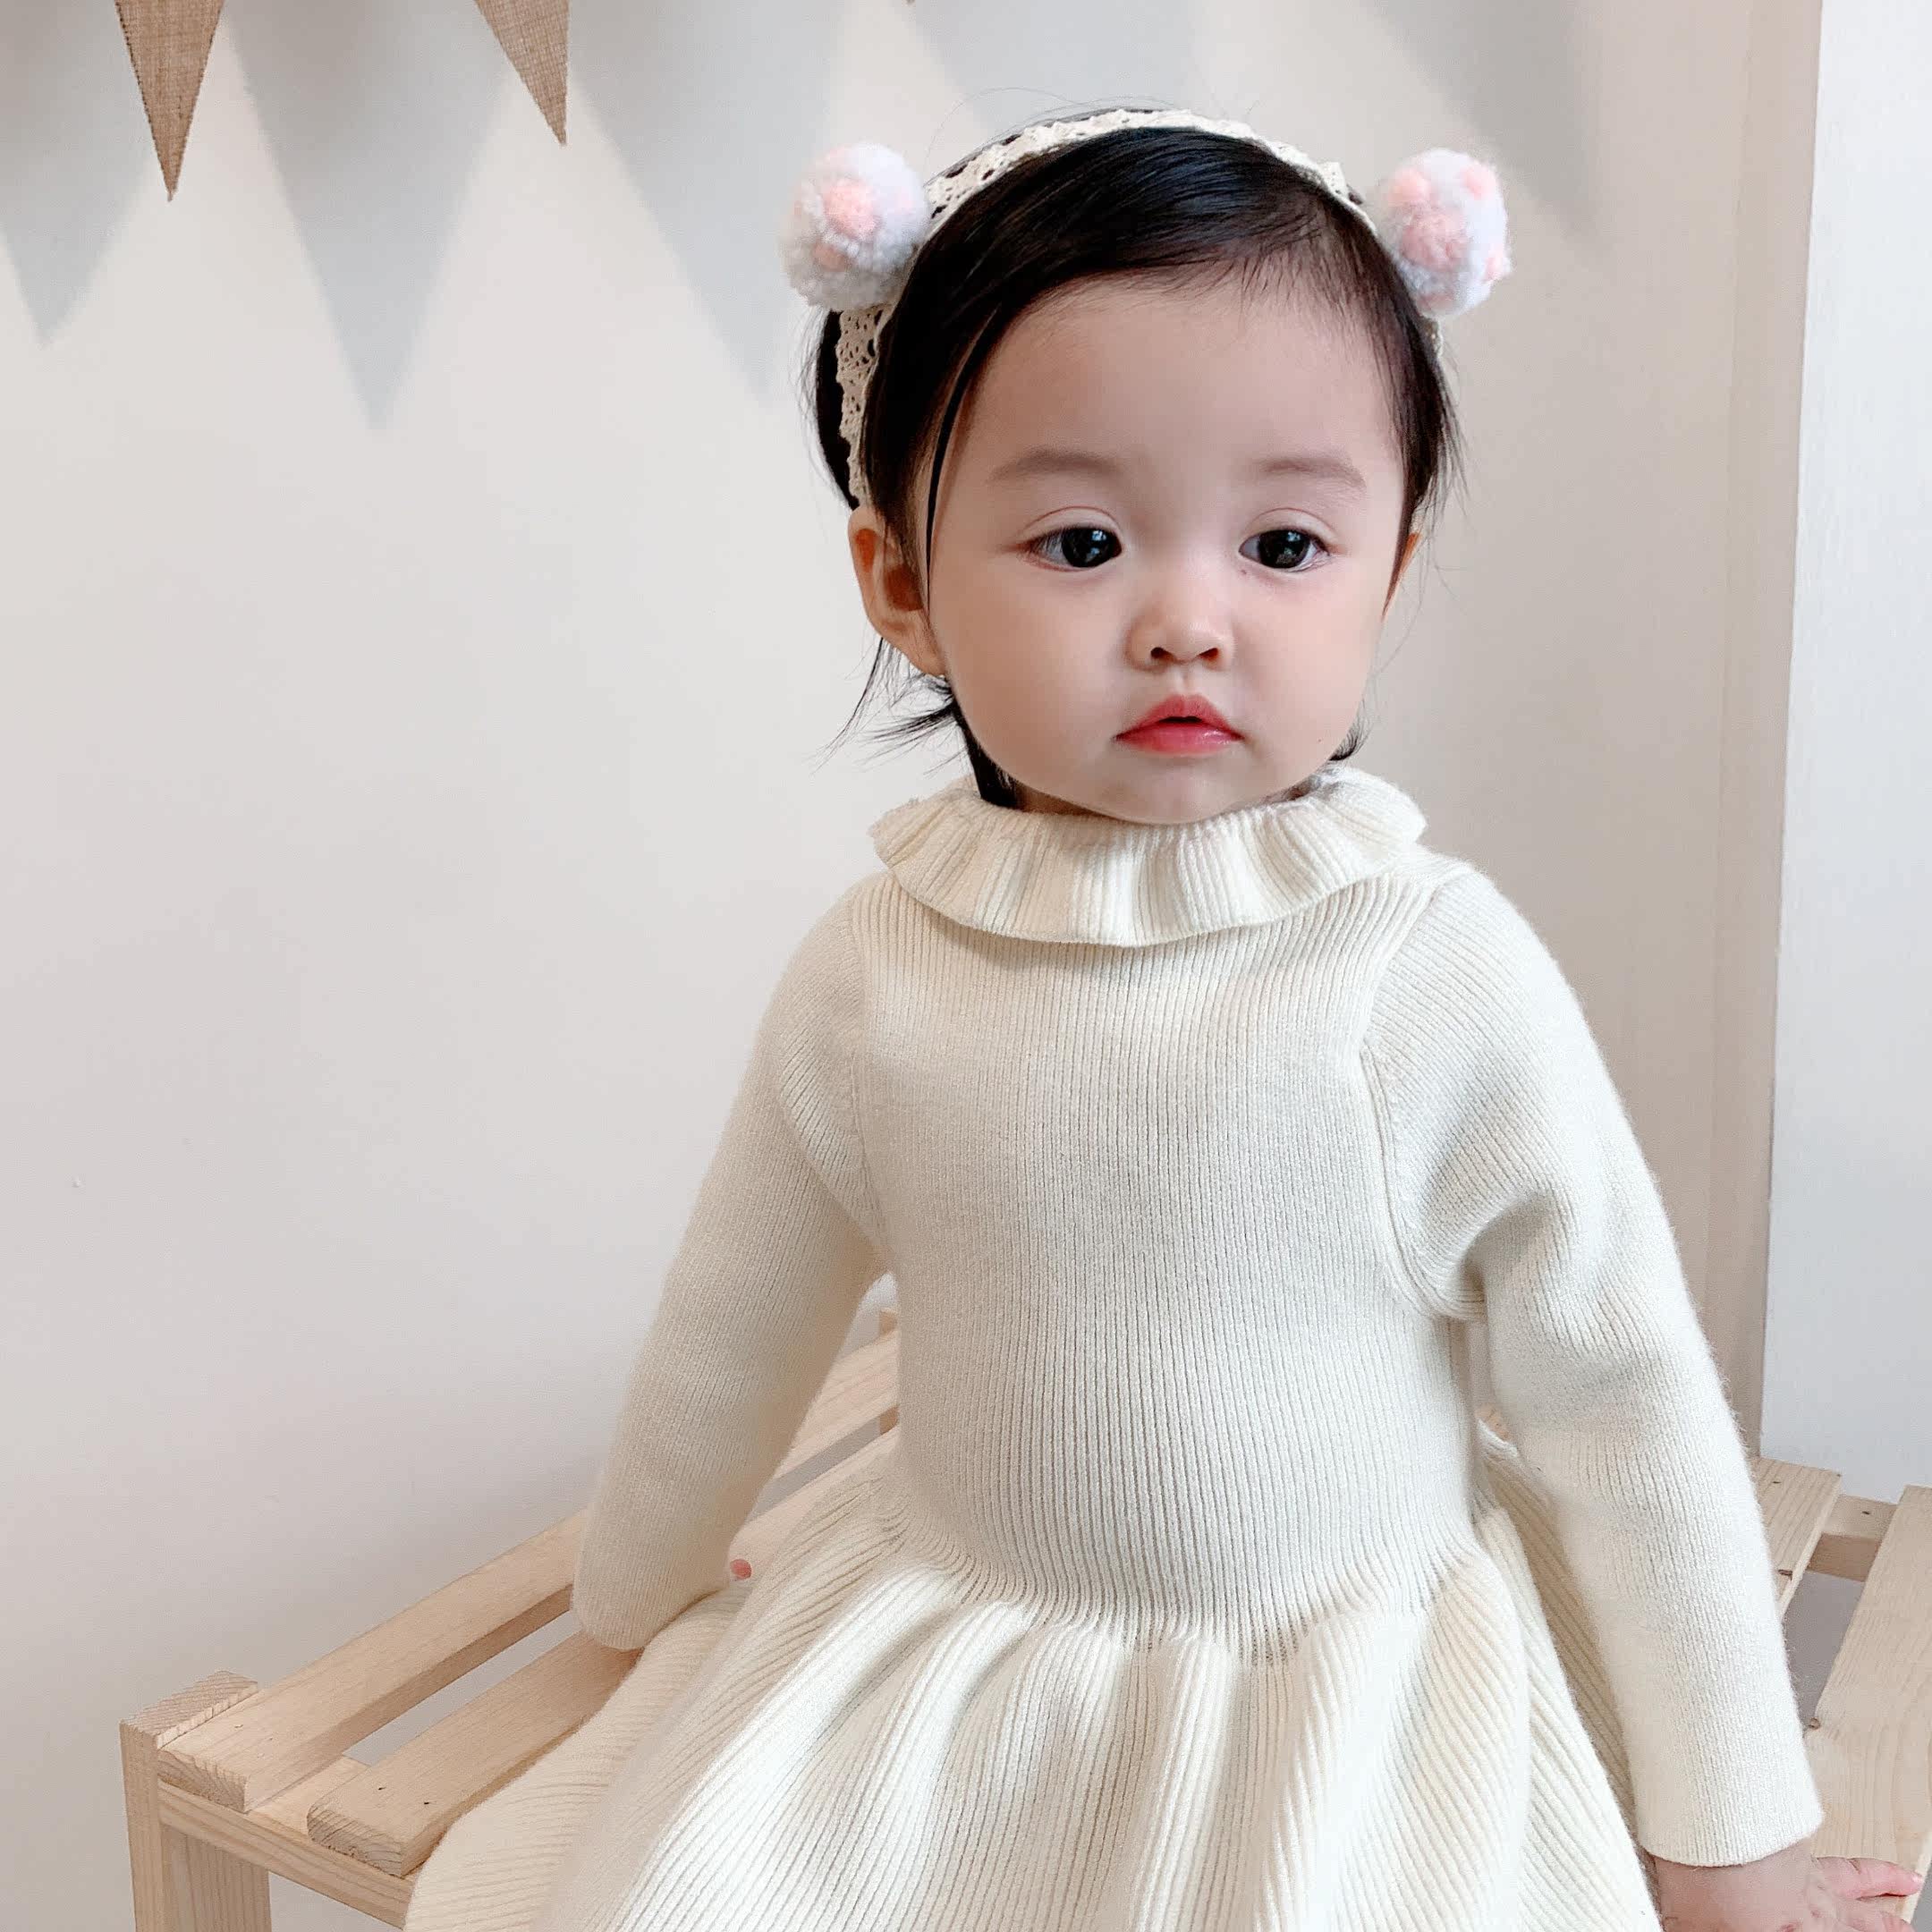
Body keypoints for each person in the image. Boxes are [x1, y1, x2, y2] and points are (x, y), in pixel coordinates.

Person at [403, 106, 1925, 1932]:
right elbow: (740, 1310)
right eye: (1081, 540)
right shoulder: (879, 969)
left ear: (1388, 575)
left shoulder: (1429, 971)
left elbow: (1625, 1404)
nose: (1188, 620)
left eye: (1283, 541)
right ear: (904, 584)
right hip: (960, 1659)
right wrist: (641, 1586)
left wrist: (1730, 1849)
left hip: (1344, 1690)